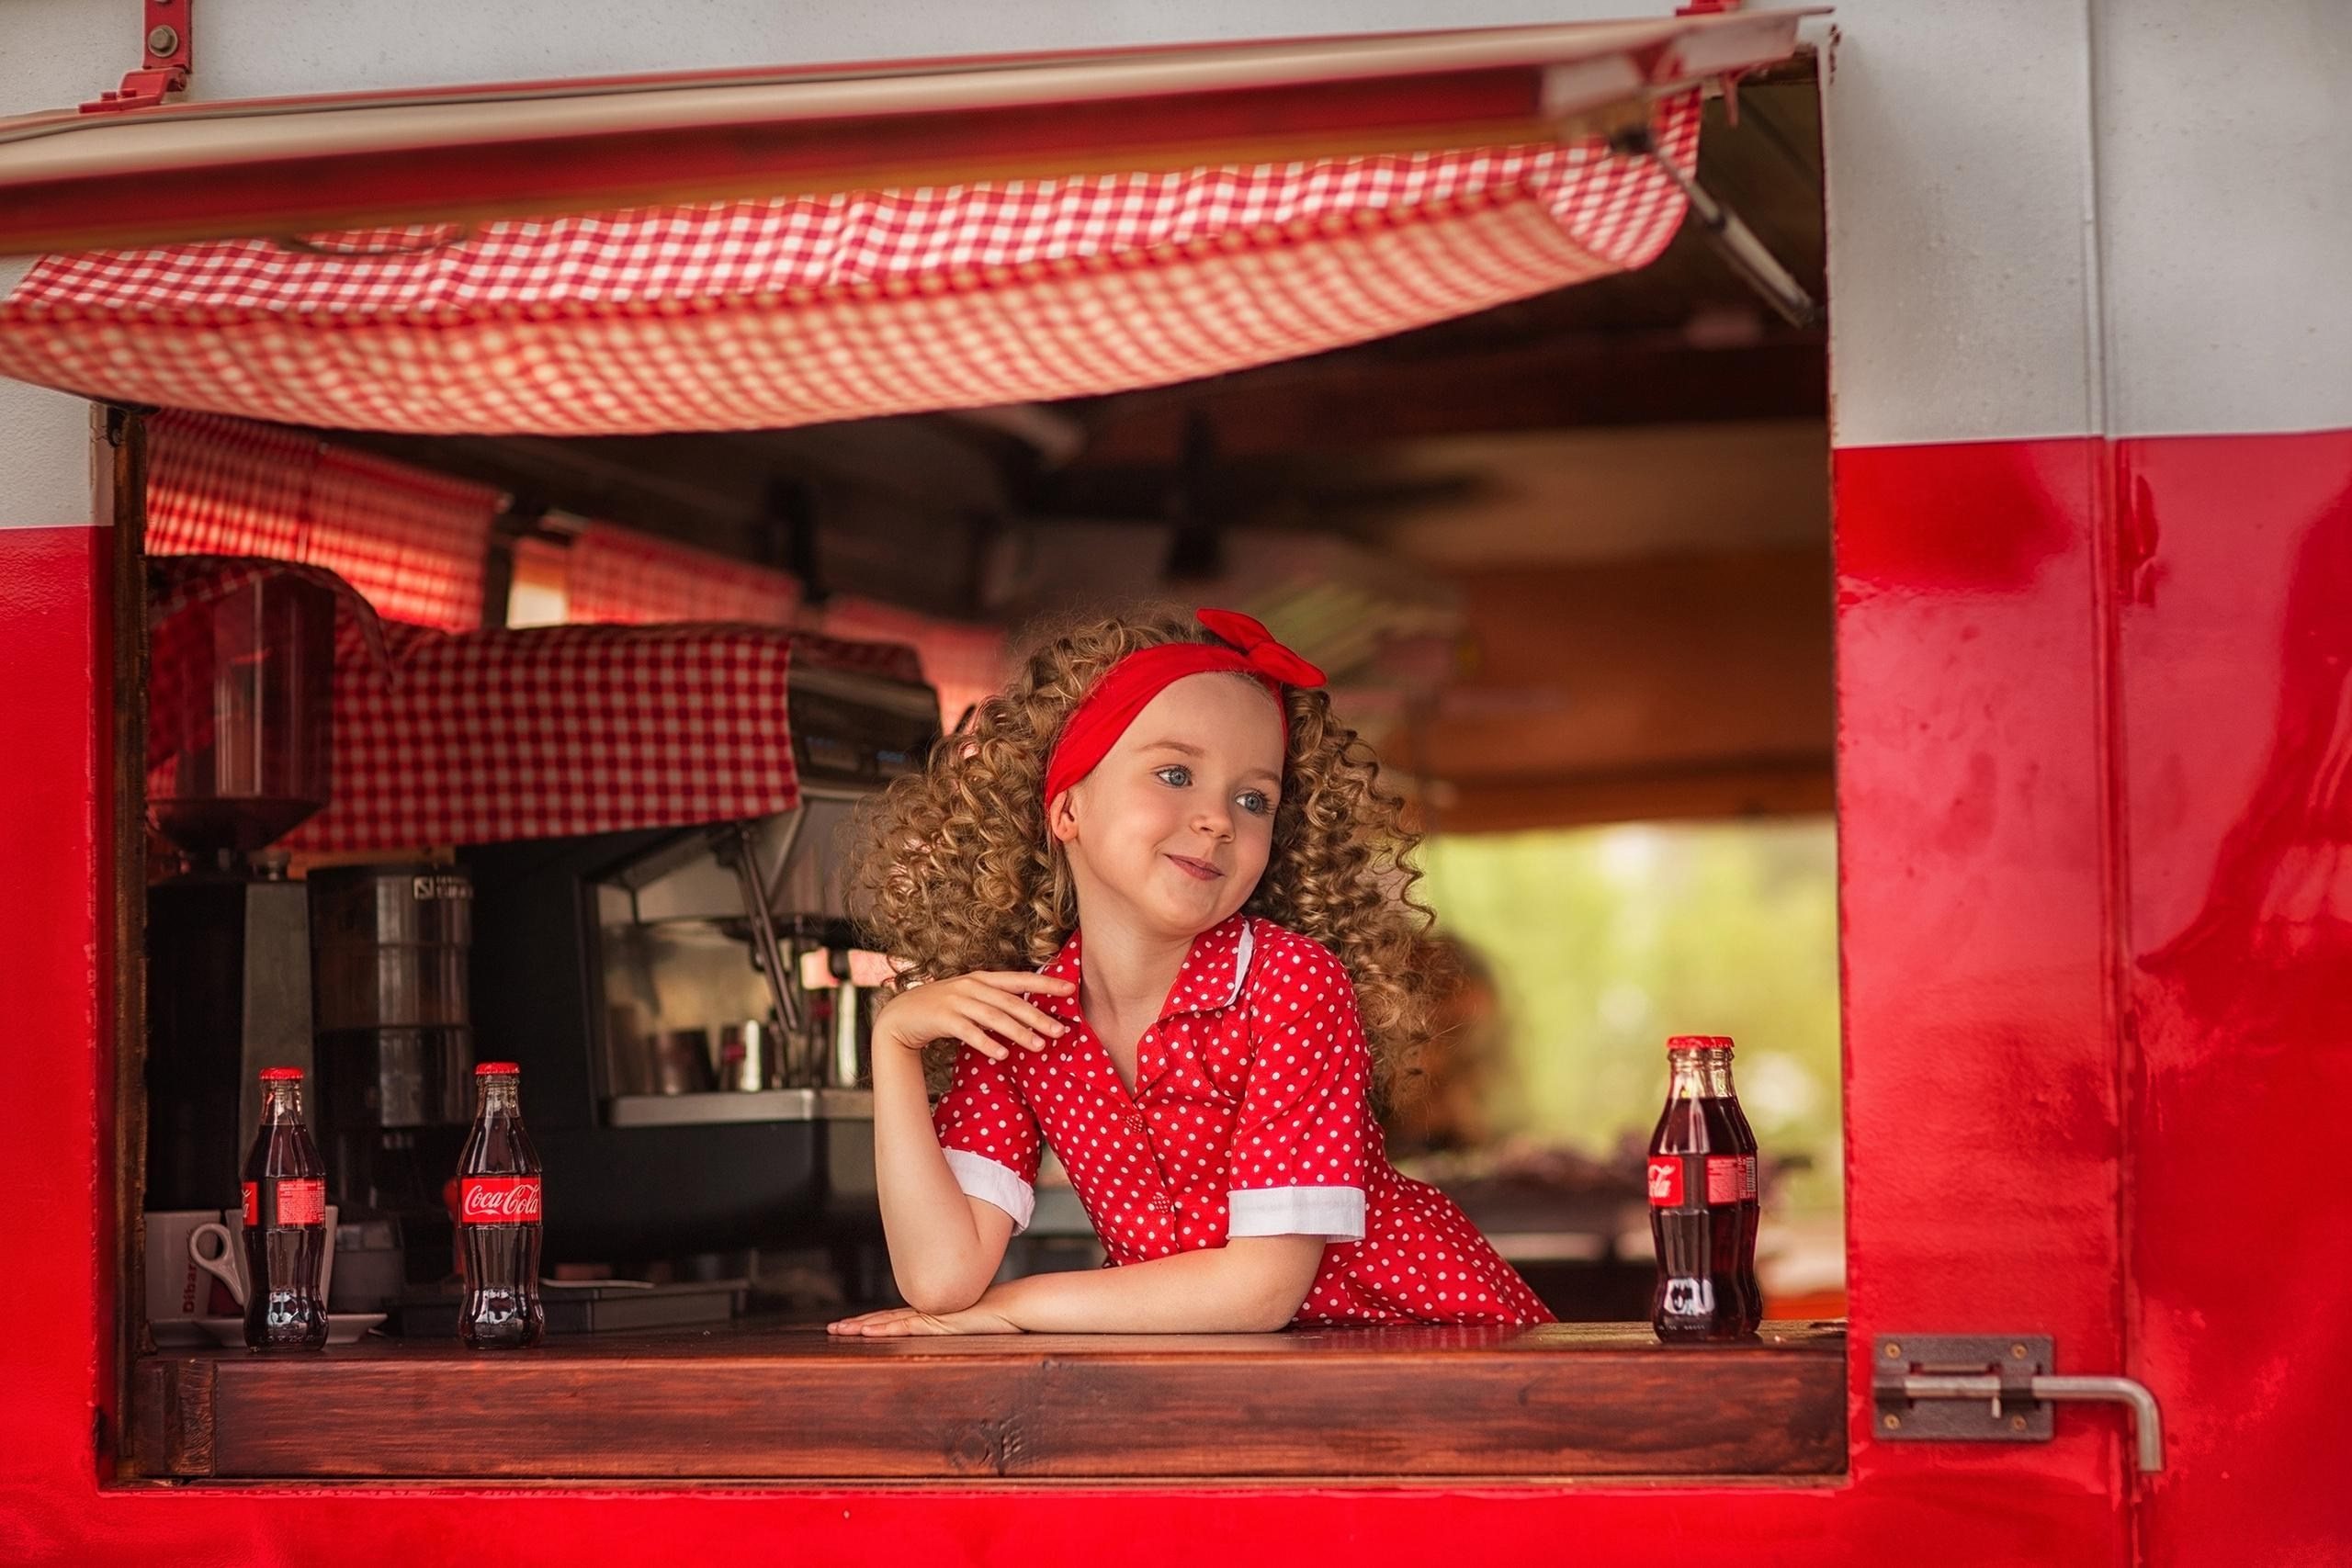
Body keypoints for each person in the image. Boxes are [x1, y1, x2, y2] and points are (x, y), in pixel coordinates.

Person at [827, 606, 1553, 1335]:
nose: (1218, 819)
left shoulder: (1294, 984)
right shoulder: (1020, 1014)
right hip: (1249, 1374)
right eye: (1175, 773)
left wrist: (1013, 1307)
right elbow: (941, 1277)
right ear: (1067, 806)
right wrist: (895, 1040)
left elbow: (1259, 1291)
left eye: (1253, 798)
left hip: (1438, 1346)